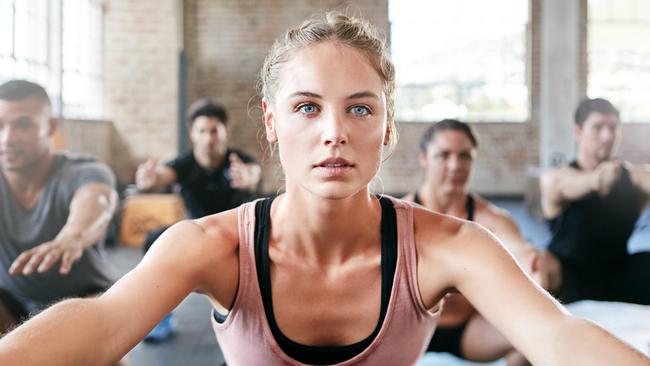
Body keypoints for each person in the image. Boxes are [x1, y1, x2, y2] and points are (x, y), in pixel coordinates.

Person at [0, 13, 648, 366]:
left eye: (360, 109)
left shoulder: (450, 244)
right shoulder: (210, 246)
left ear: (388, 127)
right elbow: (101, 322)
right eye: (308, 107)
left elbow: (557, 335)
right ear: (273, 123)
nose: (334, 132)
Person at [403, 119, 548, 366]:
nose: (455, 165)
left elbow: (519, 251)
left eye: (465, 156)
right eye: (444, 155)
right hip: (408, 330)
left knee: (534, 334)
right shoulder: (400, 216)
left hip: (467, 330)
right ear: (424, 158)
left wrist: (531, 263)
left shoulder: (492, 219)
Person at [134, 99, 261, 341]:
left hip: (238, 237)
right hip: (197, 235)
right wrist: (150, 179)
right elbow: (163, 175)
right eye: (202, 131)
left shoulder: (239, 162)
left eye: (214, 130)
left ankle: (258, 320)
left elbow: (252, 173)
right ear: (193, 134)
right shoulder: (185, 164)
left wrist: (249, 179)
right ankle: (159, 318)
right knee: (154, 239)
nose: (209, 138)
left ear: (226, 131)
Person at [0, 79, 118, 334]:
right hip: (11, 301)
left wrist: (72, 237)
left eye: (23, 125)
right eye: (0, 125)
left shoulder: (83, 170)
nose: (8, 138)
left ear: (51, 126)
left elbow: (97, 201)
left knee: (94, 341)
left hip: (83, 297)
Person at [540, 98, 650, 305]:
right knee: (539, 264)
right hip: (569, 278)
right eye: (598, 127)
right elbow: (562, 184)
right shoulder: (557, 177)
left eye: (613, 128)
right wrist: (597, 179)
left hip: (616, 275)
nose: (607, 136)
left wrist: (626, 176)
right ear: (578, 132)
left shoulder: (633, 178)